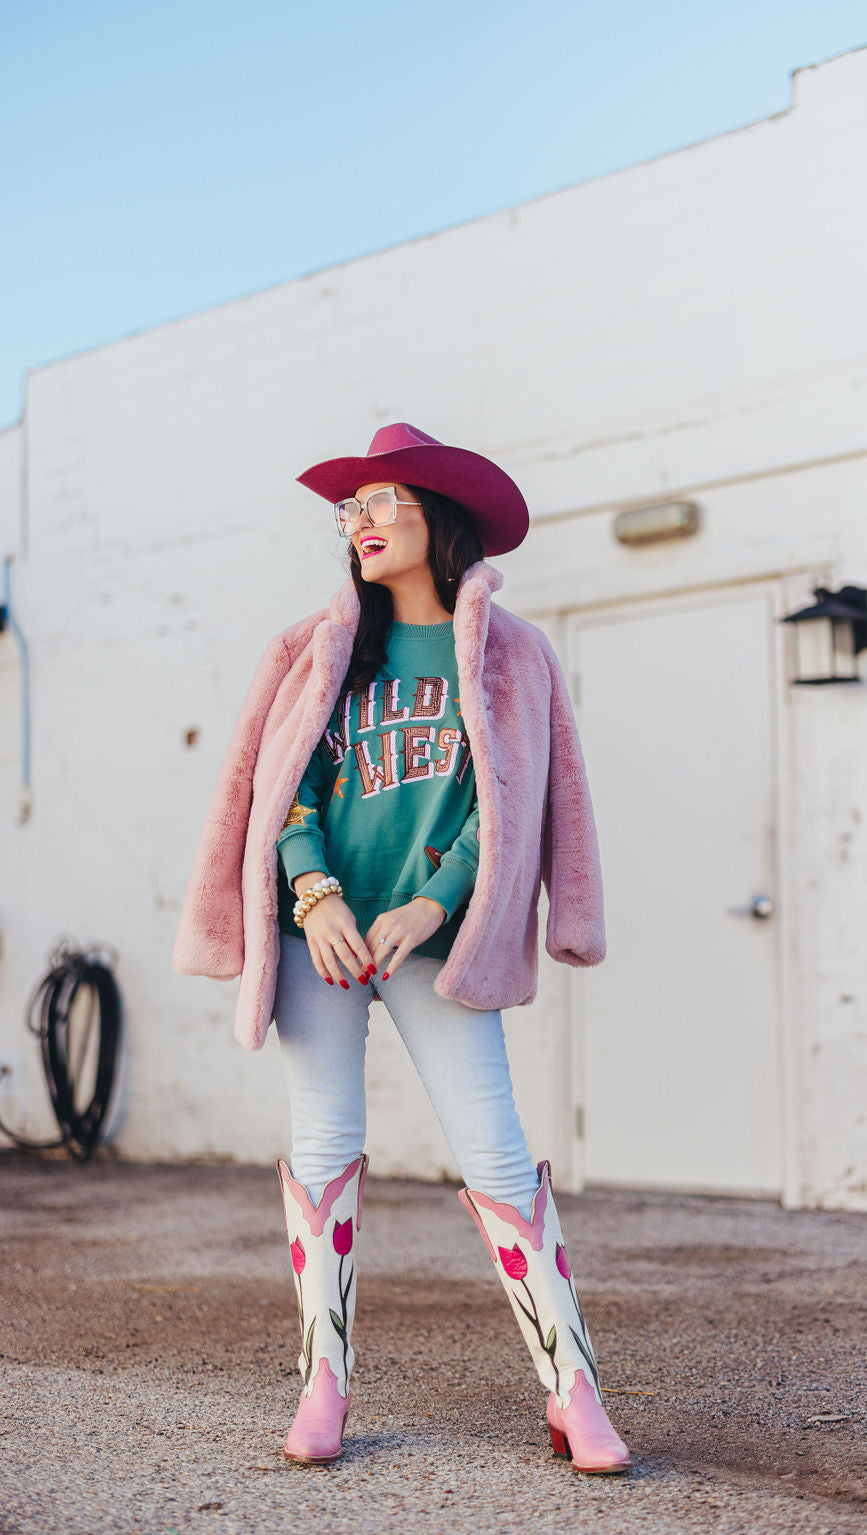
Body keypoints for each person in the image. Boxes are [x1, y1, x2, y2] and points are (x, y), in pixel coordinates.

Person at [172, 421, 630, 1475]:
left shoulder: (512, 652)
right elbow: (280, 786)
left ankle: (572, 1387)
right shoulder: (315, 646)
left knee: (496, 1151)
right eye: (351, 508)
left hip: (438, 937)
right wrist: (315, 893)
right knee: (322, 1137)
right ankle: (322, 1382)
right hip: (318, 936)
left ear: (443, 520)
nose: (360, 522)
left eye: (384, 502)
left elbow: (509, 797)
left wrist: (431, 902)